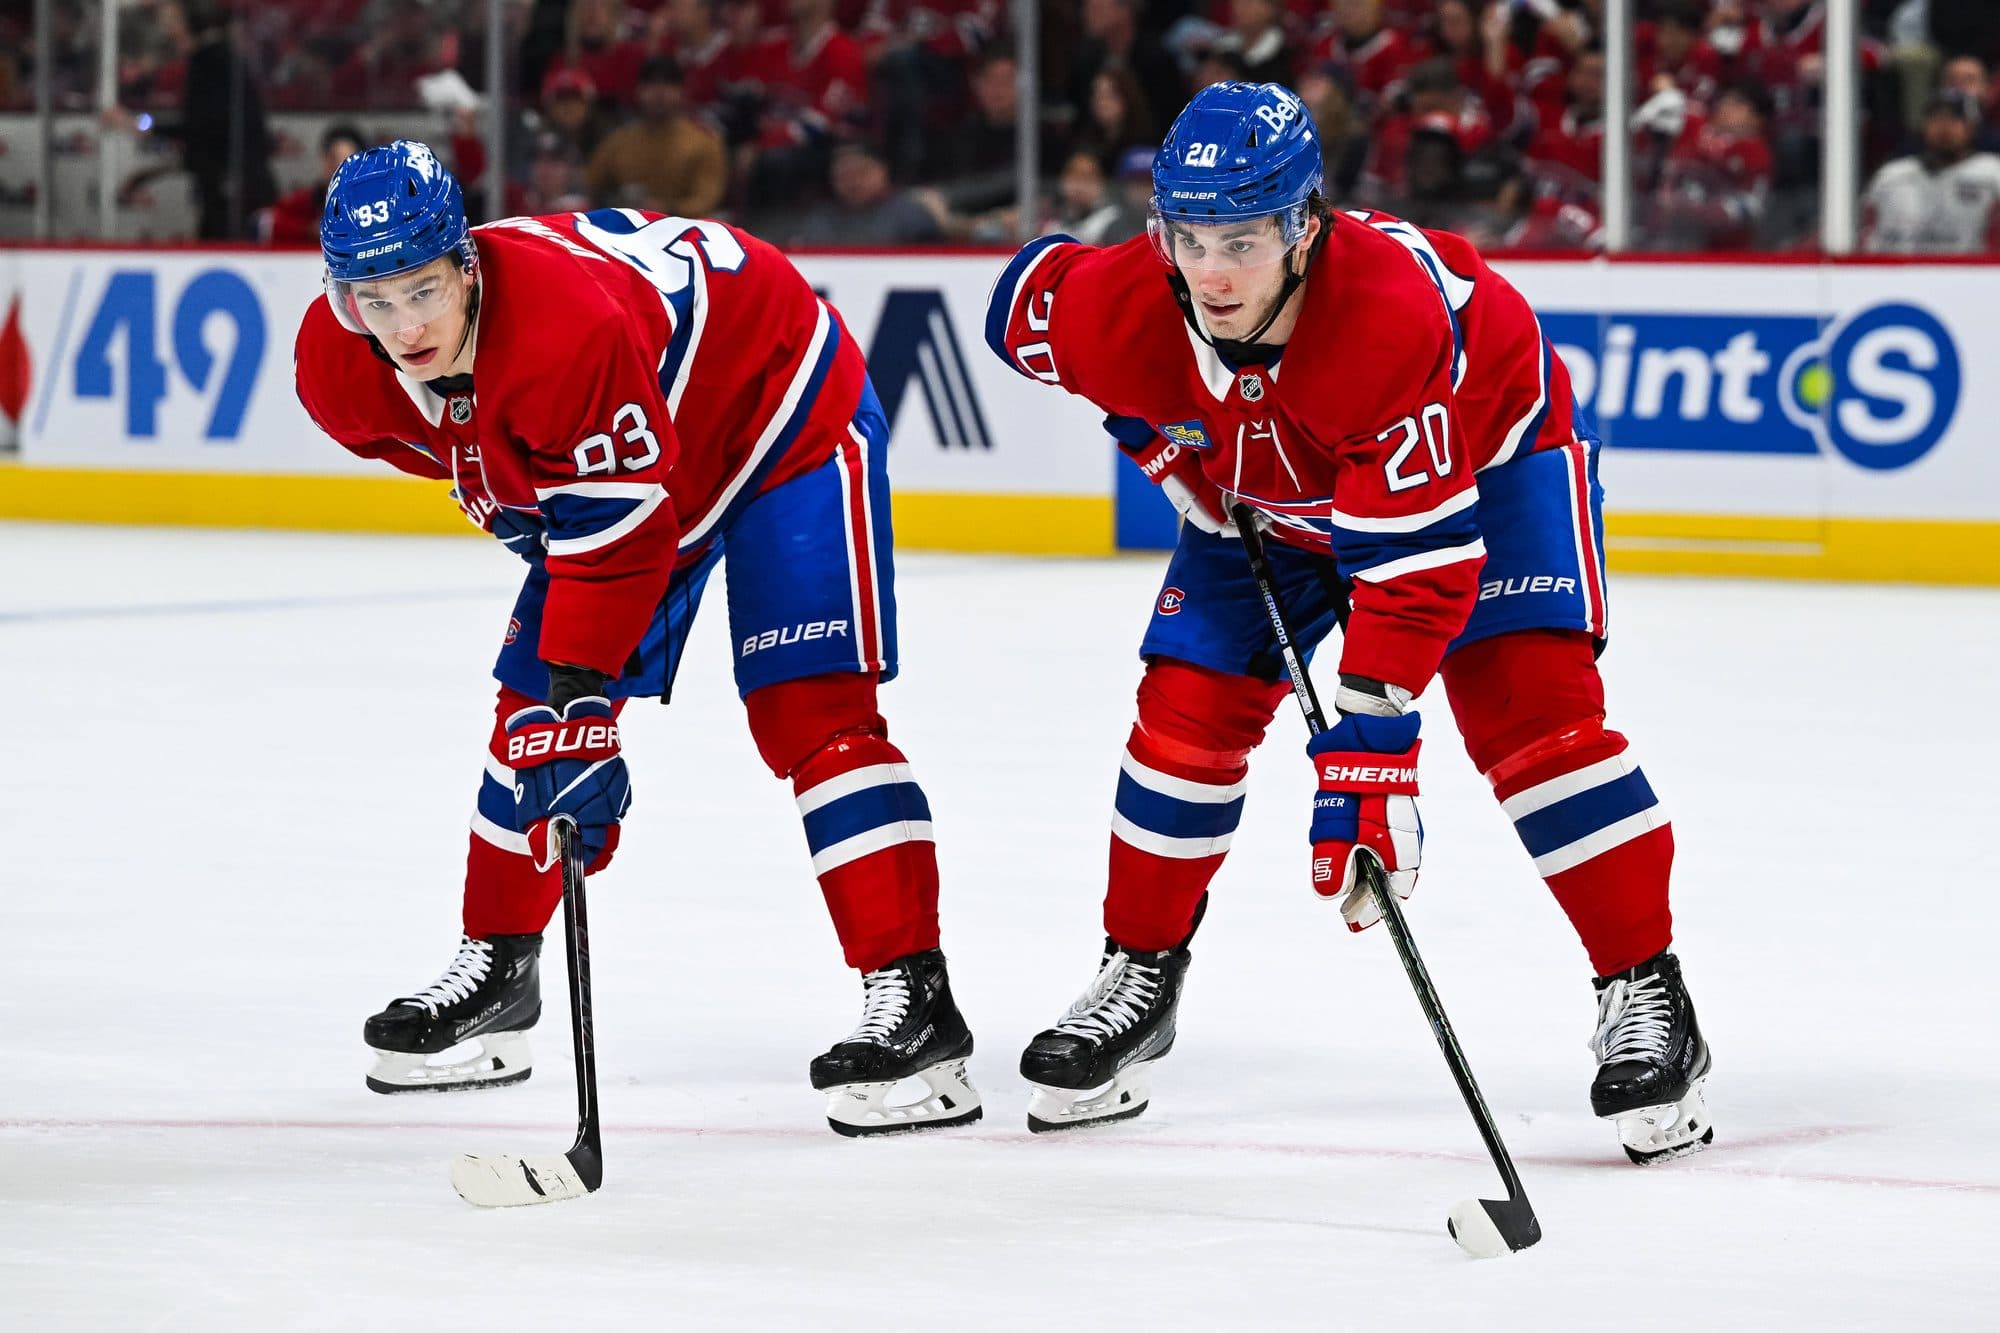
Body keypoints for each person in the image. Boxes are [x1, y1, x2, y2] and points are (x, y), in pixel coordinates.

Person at [983, 82, 1714, 1165]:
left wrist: (1369, 761)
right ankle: (1139, 975)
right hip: (1270, 495)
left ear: (1303, 224)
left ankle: (1646, 992)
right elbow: (1018, 308)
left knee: (1532, 723)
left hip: (1485, 467)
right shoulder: (1114, 303)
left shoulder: (1381, 319)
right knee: (1182, 716)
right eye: (1187, 237)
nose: (1212, 271)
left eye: (1241, 237)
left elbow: (1413, 576)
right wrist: (1159, 445)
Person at [293, 141, 979, 1137]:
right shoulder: (336, 369)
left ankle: (914, 1000)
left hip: (771, 410)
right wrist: (562, 702)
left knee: (811, 713)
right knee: (530, 708)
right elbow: (502, 471)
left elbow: (617, 541)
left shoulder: (561, 331)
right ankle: (499, 970)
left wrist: (584, 710)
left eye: (424, 292)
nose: (403, 326)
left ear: (465, 267)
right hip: (636, 444)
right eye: (375, 301)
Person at [585, 56, 729, 216]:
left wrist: (665, 209)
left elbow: (705, 201)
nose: (659, 93)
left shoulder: (703, 142)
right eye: (651, 85)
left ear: (682, 92)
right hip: (626, 230)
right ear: (638, 91)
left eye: (668, 85)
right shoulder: (619, 142)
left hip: (686, 232)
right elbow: (589, 185)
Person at [1862, 89, 2000, 253]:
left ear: (1972, 127)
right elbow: (1865, 235)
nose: (1944, 126)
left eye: (1954, 118)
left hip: (1971, 274)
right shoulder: (1891, 176)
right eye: (1935, 118)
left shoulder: (1992, 174)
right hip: (1898, 273)